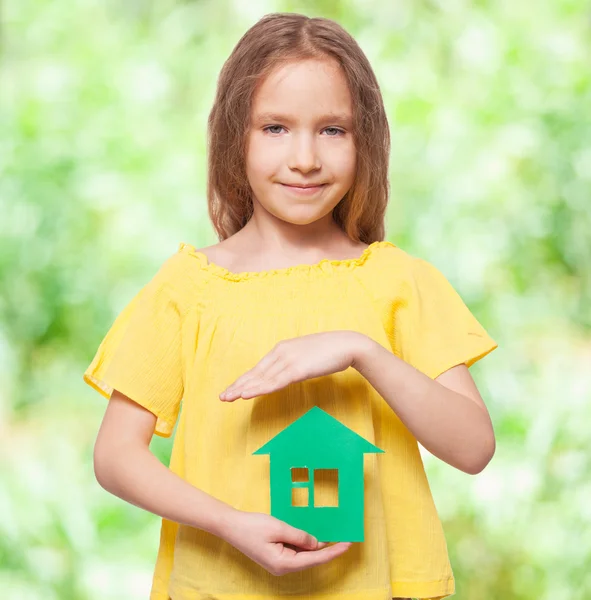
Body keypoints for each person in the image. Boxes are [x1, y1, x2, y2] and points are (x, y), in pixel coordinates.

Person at [83, 12, 498, 600]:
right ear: (235, 137)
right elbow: (116, 456)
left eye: (333, 130)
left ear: (367, 141)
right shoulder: (190, 286)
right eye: (275, 128)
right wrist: (231, 525)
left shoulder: (397, 281)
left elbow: (473, 447)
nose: (305, 158)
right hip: (222, 585)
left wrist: (360, 350)